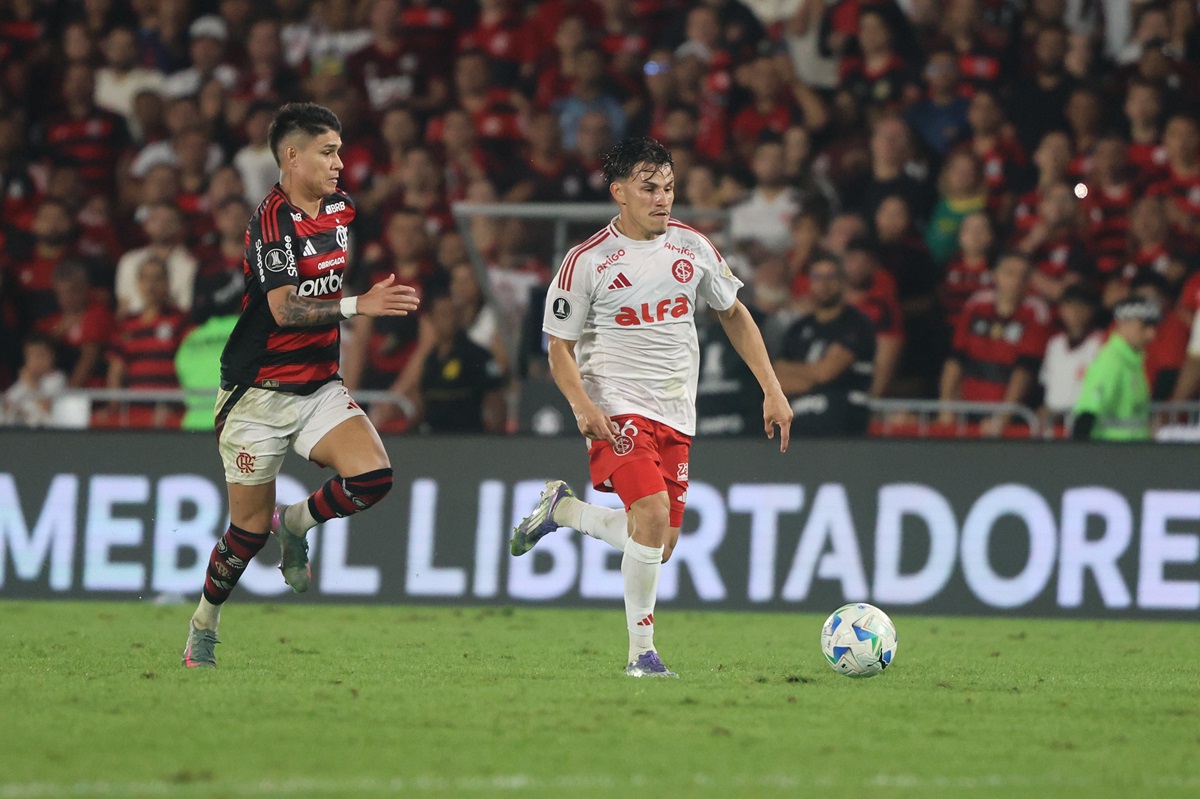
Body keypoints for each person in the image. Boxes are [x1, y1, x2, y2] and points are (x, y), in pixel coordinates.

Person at [508, 137, 792, 678]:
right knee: (653, 515)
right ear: (618, 193)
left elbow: (734, 314)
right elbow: (559, 347)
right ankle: (642, 654)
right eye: (648, 189)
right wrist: (582, 404)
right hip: (616, 407)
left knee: (657, 544)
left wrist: (771, 389)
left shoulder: (692, 247)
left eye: (668, 188)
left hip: (676, 412)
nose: (662, 200)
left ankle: (562, 511)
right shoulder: (585, 262)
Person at [182, 103, 420, 669]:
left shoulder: (340, 209)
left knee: (375, 477)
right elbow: (285, 310)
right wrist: (360, 305)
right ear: (292, 156)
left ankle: (294, 522)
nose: (341, 163)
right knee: (244, 533)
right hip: (257, 393)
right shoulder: (271, 220)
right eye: (328, 152)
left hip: (317, 386)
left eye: (340, 150)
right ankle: (203, 623)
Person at [775, 255, 877, 436]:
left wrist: (798, 373)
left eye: (831, 277)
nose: (824, 284)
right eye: (818, 277)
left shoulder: (856, 324)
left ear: (843, 281)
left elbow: (827, 372)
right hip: (798, 414)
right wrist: (815, 377)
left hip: (843, 413)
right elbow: (776, 376)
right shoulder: (798, 329)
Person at [1072, 296, 1159, 441]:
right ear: (1123, 324)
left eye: (1154, 327)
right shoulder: (1111, 361)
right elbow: (1087, 412)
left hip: (1133, 453)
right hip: (1111, 454)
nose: (1152, 334)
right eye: (1144, 326)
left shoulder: (1133, 362)